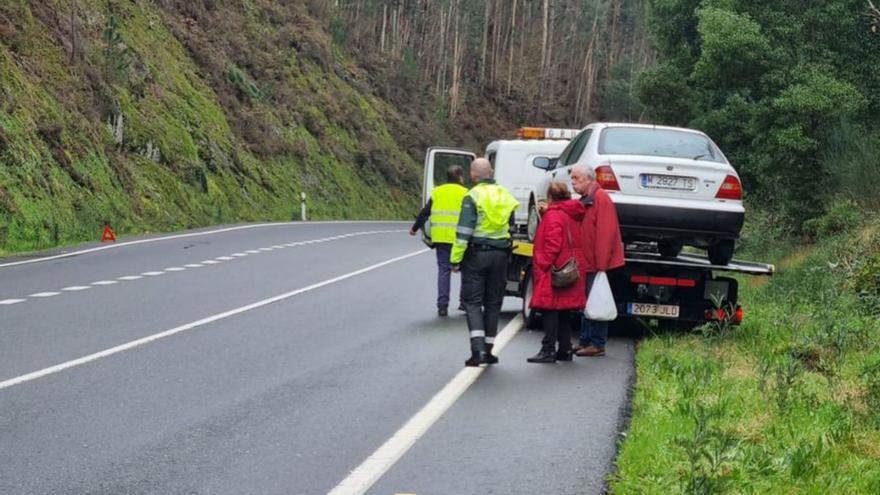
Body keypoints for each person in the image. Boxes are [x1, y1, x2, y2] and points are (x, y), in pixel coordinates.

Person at [451, 158, 519, 367]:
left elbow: (464, 232)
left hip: (477, 255)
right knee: (493, 303)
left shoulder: (472, 196)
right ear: (491, 173)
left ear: (473, 175)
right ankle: (489, 350)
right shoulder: (505, 195)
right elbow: (512, 227)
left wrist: (455, 259)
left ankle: (478, 350)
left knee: (472, 303)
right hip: (500, 255)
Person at [527, 182, 586, 363]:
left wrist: (542, 262)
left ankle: (548, 349)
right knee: (564, 312)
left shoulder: (554, 215)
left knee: (549, 309)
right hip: (570, 265)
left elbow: (553, 243)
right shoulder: (573, 212)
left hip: (555, 268)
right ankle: (565, 349)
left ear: (550, 197)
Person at [569, 165, 625, 357]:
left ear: (588, 179)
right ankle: (585, 340)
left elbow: (605, 233)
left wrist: (602, 264)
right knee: (587, 303)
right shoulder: (588, 199)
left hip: (595, 262)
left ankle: (597, 343)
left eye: (576, 178)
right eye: (572, 178)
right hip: (588, 261)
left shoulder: (600, 199)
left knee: (596, 302)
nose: (573, 182)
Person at [411, 165, 468, 316]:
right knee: (465, 270)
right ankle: (464, 302)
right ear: (460, 177)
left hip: (441, 237)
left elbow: (425, 213)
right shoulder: (466, 193)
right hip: (460, 238)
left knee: (444, 270)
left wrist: (415, 228)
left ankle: (442, 305)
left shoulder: (437, 192)